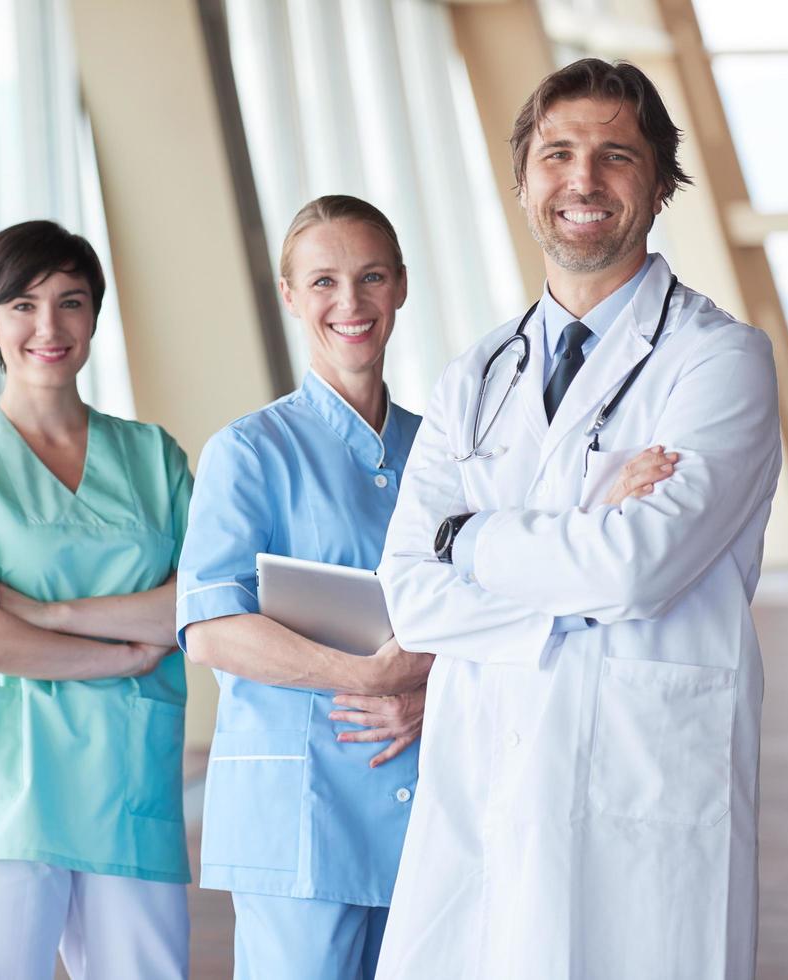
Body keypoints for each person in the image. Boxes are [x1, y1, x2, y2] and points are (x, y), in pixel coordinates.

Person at [176, 195, 666, 980]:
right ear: (290, 296)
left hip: (436, 801)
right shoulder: (250, 452)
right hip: (300, 814)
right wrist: (366, 676)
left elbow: (517, 578)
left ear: (401, 287)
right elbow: (209, 630)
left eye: (371, 277)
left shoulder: (445, 448)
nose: (350, 303)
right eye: (324, 281)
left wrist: (427, 685)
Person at [375, 59, 781, 980]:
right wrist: (582, 534)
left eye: (616, 156)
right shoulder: (472, 378)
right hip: (487, 772)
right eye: (556, 153)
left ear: (661, 182)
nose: (582, 181)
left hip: (638, 781)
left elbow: (637, 568)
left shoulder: (718, 363)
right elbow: (409, 598)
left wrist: (467, 537)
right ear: (522, 182)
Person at [0, 220, 191, 980]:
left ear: (94, 314)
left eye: (70, 301)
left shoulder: (151, 455)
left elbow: (194, 606)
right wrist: (124, 656)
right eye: (21, 304)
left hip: (126, 783)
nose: (47, 326)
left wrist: (47, 615)